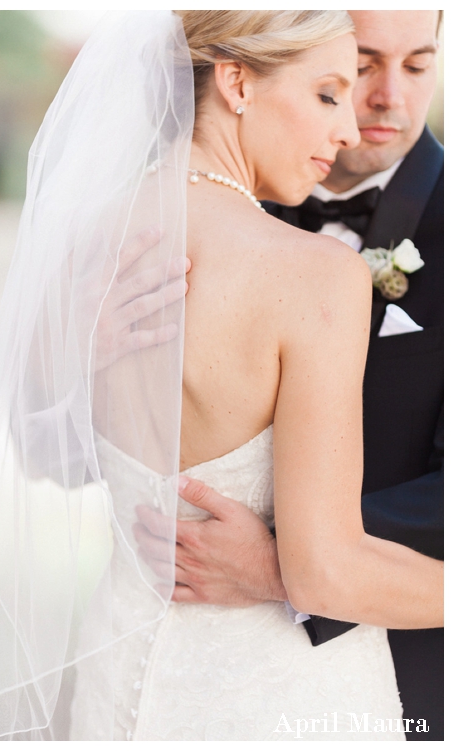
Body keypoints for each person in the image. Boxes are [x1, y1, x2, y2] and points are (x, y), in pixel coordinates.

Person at [0, 11, 443, 741]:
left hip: (114, 674)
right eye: (327, 93)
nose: (347, 126)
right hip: (281, 696)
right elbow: (325, 573)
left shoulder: (86, 235)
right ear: (237, 81)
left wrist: (71, 365)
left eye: (413, 66)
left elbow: (42, 445)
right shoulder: (315, 275)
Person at [133, 10, 444, 740]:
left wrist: (279, 563)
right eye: (348, 75)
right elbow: (47, 451)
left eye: (419, 65)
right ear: (240, 78)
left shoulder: (103, 226)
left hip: (134, 666)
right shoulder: (301, 262)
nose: (383, 102)